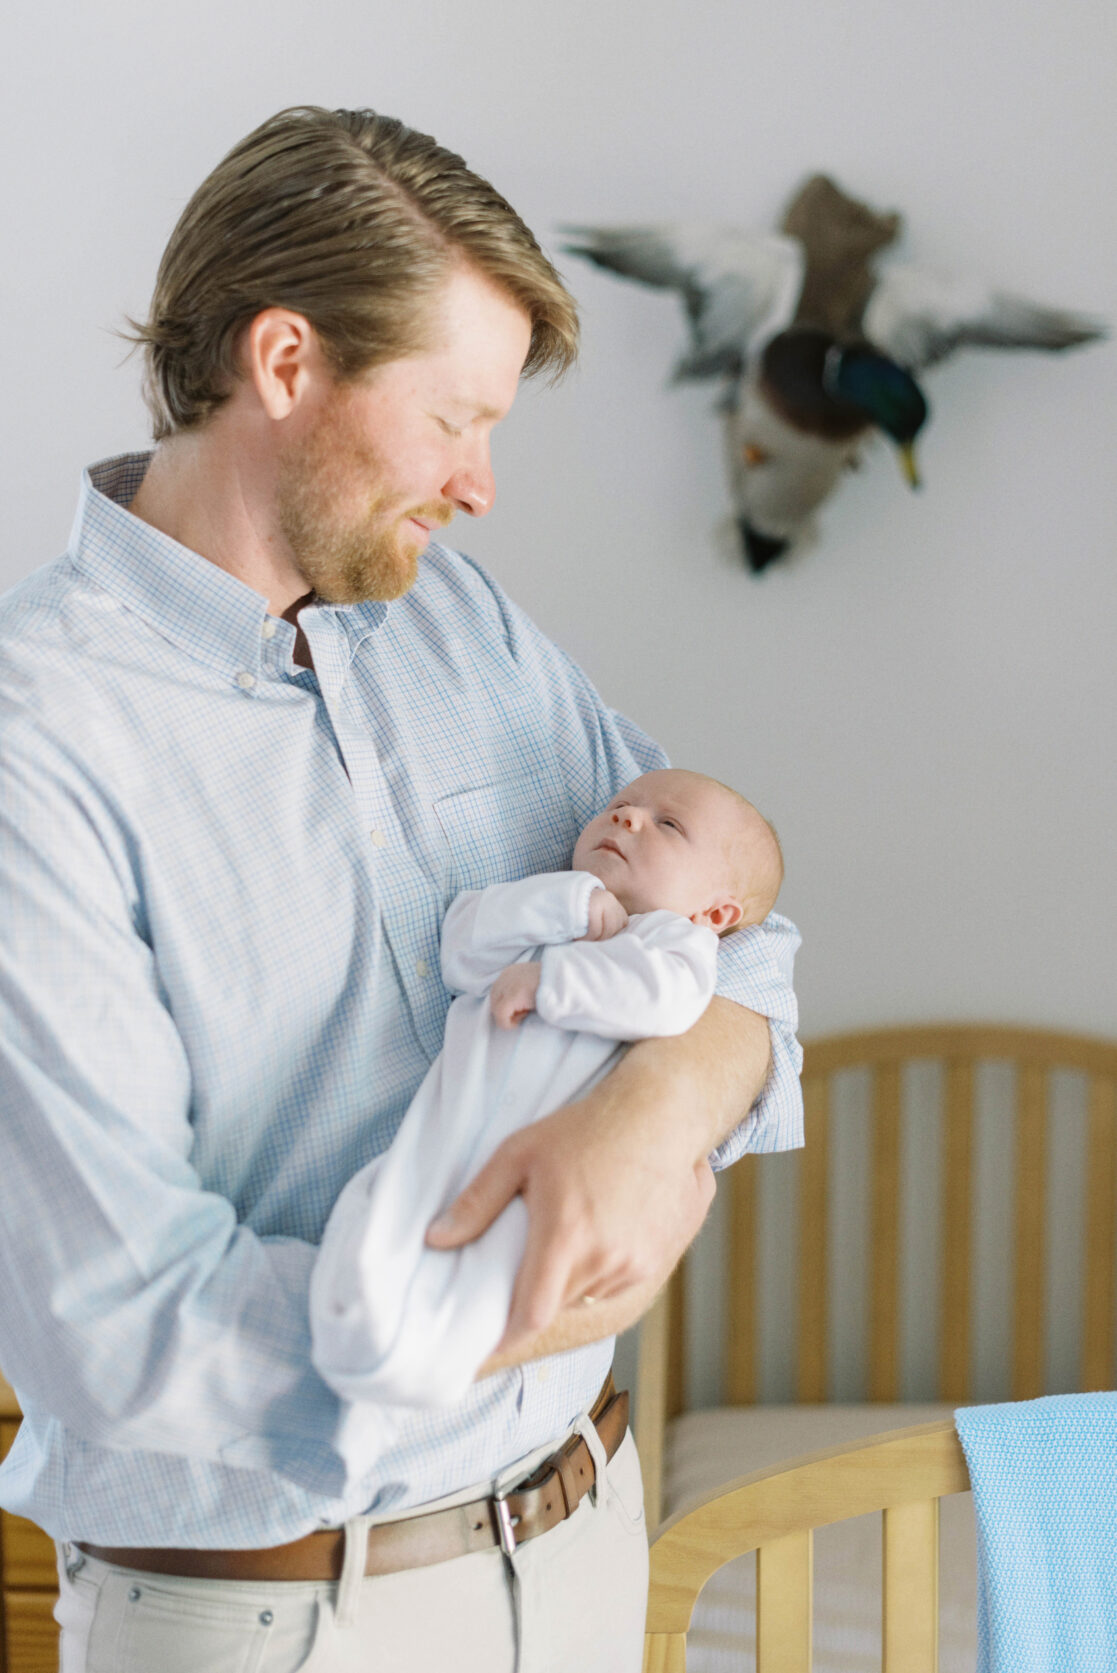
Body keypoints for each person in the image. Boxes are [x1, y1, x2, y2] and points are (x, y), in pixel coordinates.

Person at [0, 106, 802, 1672]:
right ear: (286, 363)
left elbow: (733, 921)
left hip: (583, 1540)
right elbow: (116, 1321)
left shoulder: (458, 625)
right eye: (455, 421)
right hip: (280, 1616)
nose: (480, 485)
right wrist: (512, 1314)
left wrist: (663, 1104)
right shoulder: (41, 745)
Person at [311, 769, 784, 1429]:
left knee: (502, 1263)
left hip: (546, 1157)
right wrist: (565, 905)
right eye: (620, 806)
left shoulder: (674, 945)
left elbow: (663, 997)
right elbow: (462, 947)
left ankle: (408, 1358)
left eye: (667, 825)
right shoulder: (547, 907)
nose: (628, 819)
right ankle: (341, 1310)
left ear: (715, 912)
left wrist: (552, 978)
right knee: (382, 1211)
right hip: (447, 1127)